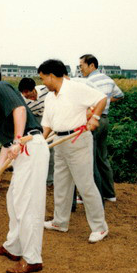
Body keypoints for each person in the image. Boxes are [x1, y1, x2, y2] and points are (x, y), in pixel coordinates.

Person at [0, 62, 49, 273]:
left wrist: (18, 139)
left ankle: (33, 258)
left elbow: (19, 109)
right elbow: (6, 146)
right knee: (14, 200)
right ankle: (14, 247)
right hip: (21, 150)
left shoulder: (0, 87)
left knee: (28, 205)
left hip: (29, 147)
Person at [38, 59, 110, 243]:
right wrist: (39, 141)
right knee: (61, 183)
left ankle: (100, 228)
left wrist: (94, 117)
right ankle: (60, 222)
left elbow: (101, 98)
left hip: (78, 141)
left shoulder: (74, 88)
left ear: (52, 76)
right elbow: (46, 124)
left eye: (43, 78)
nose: (43, 83)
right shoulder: (49, 96)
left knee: (85, 184)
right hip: (59, 141)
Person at [78, 54, 124, 202]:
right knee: (102, 157)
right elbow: (120, 95)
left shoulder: (88, 82)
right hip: (104, 120)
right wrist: (106, 102)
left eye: (81, 66)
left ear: (91, 65)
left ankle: (87, 196)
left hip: (93, 120)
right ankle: (109, 194)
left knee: (88, 158)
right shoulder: (108, 80)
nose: (80, 69)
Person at [18, 77, 54, 187]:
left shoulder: (46, 91)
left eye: (27, 92)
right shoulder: (22, 99)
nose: (25, 95)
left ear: (33, 89)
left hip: (49, 117)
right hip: (35, 119)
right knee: (34, 148)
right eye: (23, 93)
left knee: (49, 148)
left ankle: (49, 179)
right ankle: (35, 177)